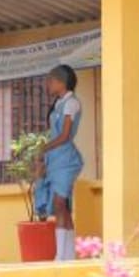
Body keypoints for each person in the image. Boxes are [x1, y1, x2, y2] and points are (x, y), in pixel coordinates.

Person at [40, 65, 84, 261]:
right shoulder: (58, 103)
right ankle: (67, 253)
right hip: (54, 158)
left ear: (62, 81)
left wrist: (45, 148)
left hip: (65, 159)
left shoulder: (71, 103)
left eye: (51, 80)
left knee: (59, 202)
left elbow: (65, 135)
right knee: (61, 206)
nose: (47, 85)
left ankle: (63, 254)